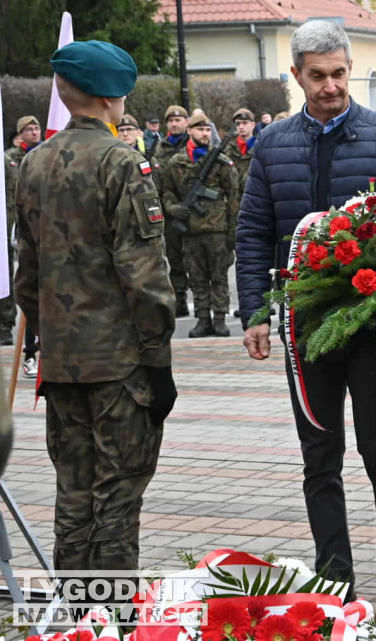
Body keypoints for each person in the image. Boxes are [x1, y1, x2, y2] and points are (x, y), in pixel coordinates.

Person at [236, 20, 376, 612]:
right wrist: (256, 313)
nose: (332, 86)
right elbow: (255, 234)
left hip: (371, 327)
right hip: (304, 328)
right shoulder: (272, 144)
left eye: (340, 73)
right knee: (320, 458)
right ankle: (334, 582)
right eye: (319, 76)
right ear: (297, 76)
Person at [14, 40, 175, 590]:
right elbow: (145, 275)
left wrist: (46, 336)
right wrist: (158, 360)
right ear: (115, 96)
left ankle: (77, 621)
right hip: (119, 367)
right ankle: (114, 621)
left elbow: (26, 276)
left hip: (61, 367)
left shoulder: (33, 162)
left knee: (74, 496)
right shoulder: (121, 161)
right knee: (117, 498)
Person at [161, 110, 239, 338]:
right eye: (200, 129)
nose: (205, 134)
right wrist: (175, 209)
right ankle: (203, 319)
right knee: (196, 278)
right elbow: (167, 192)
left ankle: (220, 318)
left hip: (217, 230)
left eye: (207, 130)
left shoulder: (222, 162)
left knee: (219, 277)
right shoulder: (176, 163)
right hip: (190, 231)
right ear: (189, 131)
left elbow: (234, 199)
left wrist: (233, 231)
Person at [2, 115, 42, 350]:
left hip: (39, 223)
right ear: (20, 134)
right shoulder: (9, 160)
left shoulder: (46, 155)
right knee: (13, 276)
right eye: (29, 129)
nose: (35, 132)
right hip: (12, 224)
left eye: (37, 128)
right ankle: (6, 326)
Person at [152, 104, 191, 318]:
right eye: (171, 121)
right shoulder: (160, 148)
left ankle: (208, 305)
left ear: (186, 122)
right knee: (174, 259)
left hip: (193, 211)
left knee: (196, 260)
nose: (174, 124)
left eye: (179, 120)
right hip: (170, 212)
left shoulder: (195, 143)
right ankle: (181, 300)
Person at [223, 107, 257, 186]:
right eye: (238, 124)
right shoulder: (227, 149)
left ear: (253, 125)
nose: (241, 127)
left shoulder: (261, 149)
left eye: (245, 123)